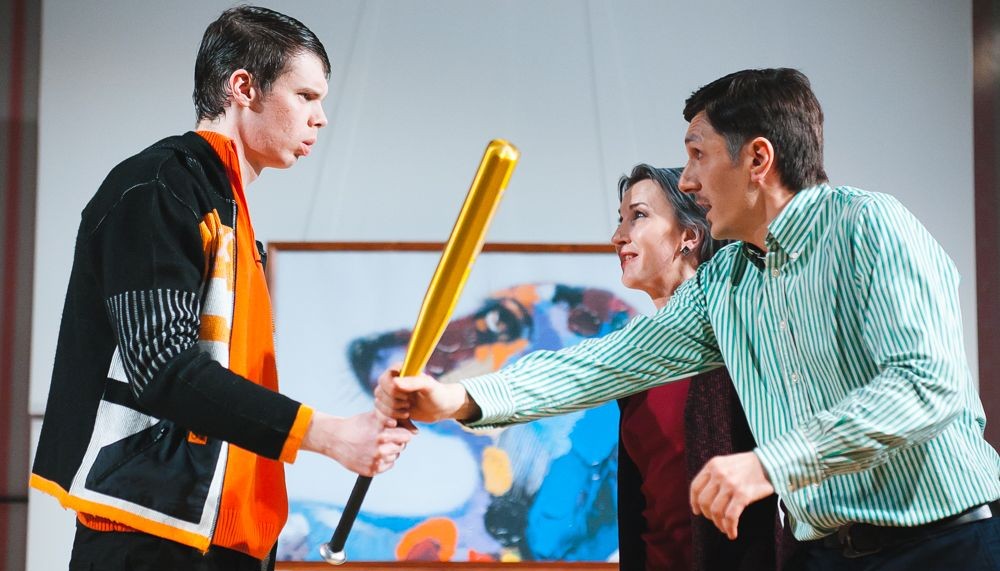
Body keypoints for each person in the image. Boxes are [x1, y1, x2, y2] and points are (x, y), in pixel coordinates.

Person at [377, 68, 1000, 570]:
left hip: (946, 543)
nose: (691, 181)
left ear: (758, 159)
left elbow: (926, 385)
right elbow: (606, 363)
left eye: (697, 155)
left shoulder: (868, 226)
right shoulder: (728, 281)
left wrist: (768, 463)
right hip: (824, 553)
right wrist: (460, 397)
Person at [30, 6, 411, 571]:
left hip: (223, 539)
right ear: (243, 88)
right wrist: (329, 435)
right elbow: (162, 365)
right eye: (306, 96)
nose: (321, 118)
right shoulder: (156, 186)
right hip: (151, 538)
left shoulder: (227, 209)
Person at [611, 164, 782, 571]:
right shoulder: (636, 356)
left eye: (638, 216)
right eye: (620, 220)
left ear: (690, 236)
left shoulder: (740, 338)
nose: (618, 236)